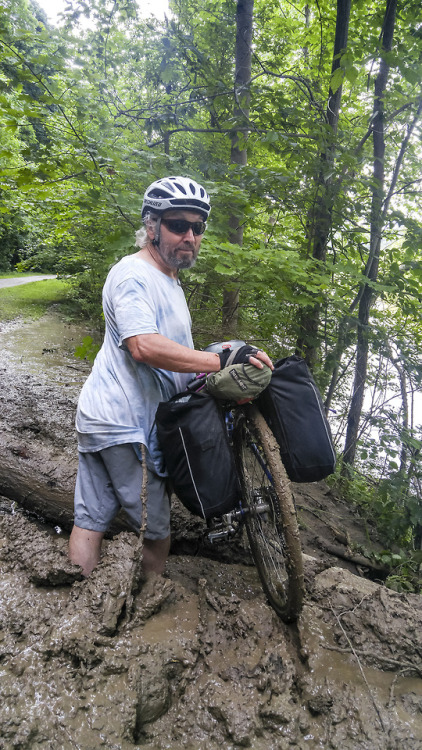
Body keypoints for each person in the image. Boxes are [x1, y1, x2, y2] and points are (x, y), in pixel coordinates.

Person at [68, 176, 273, 577]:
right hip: (128, 425)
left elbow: (173, 350)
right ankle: (144, 612)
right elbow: (142, 345)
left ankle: (80, 600)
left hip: (103, 416)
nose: (190, 236)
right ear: (151, 226)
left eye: (198, 228)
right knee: (158, 533)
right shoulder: (133, 275)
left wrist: (226, 357)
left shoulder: (169, 280)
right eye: (178, 225)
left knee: (90, 519)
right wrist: (217, 365)